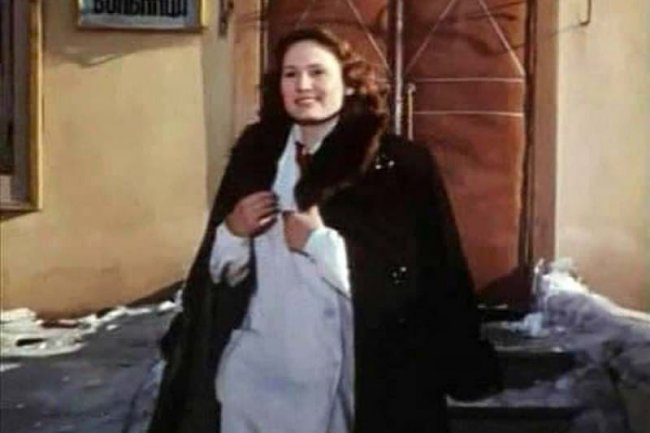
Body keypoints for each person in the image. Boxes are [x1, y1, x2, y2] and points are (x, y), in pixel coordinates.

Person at [148, 27, 501, 433]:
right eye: (290, 74)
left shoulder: (397, 165)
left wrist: (319, 244)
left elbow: (415, 280)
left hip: (344, 373)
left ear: (349, 84)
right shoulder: (255, 159)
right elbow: (221, 280)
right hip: (255, 371)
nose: (303, 85)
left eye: (317, 72)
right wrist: (233, 232)